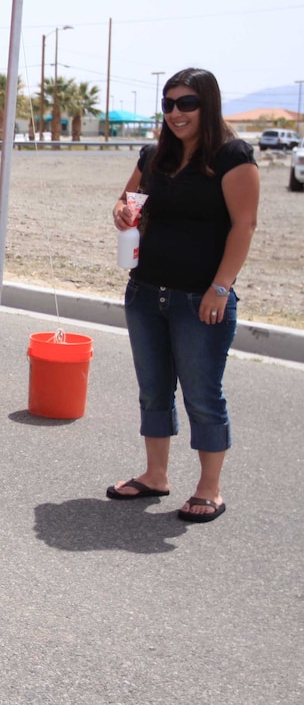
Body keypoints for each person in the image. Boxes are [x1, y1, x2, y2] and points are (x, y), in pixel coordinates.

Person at [105, 68, 259, 524]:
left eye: (186, 103)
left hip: (201, 299)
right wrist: (121, 210)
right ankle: (155, 475)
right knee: (153, 391)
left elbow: (243, 226)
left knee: (202, 395)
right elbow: (127, 199)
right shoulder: (155, 155)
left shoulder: (232, 156)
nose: (175, 112)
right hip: (146, 290)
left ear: (207, 105)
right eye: (169, 104)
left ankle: (209, 489)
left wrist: (220, 287)